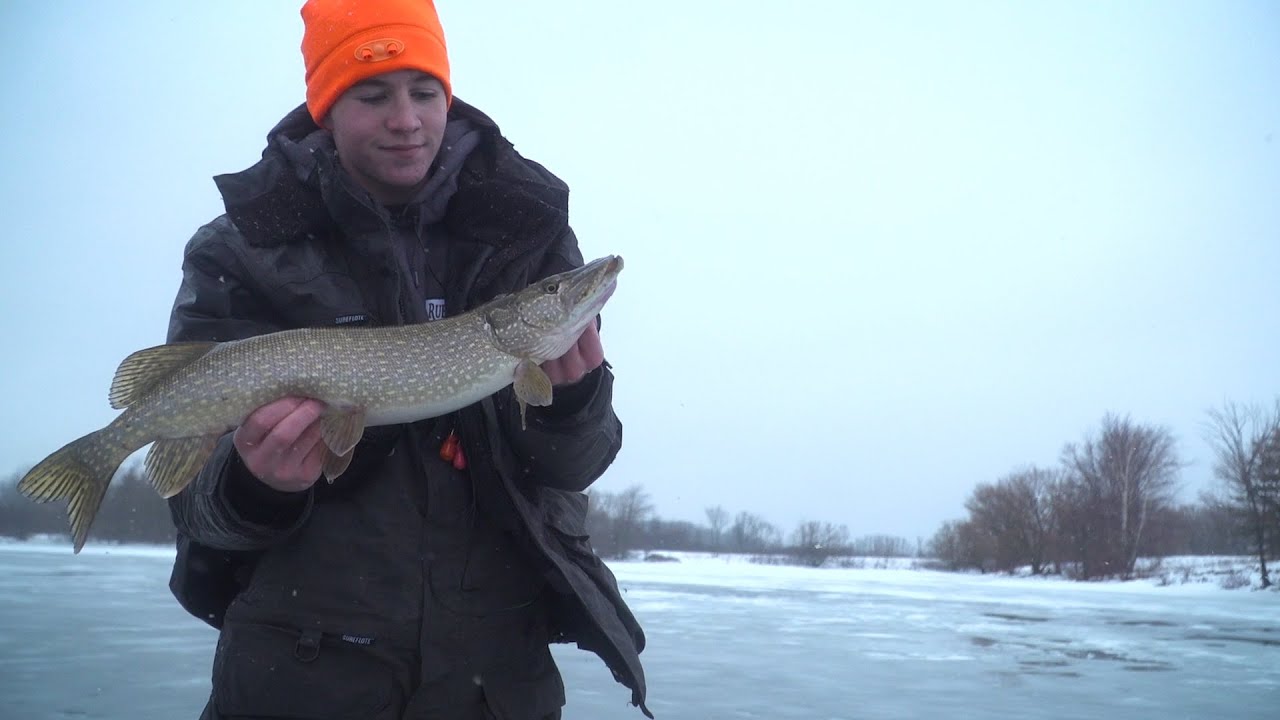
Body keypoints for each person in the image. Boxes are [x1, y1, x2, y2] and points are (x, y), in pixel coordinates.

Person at [164, 1, 649, 718]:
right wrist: (256, 486)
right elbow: (201, 513)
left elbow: (571, 470)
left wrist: (574, 405)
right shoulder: (246, 245)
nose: (407, 119)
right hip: (303, 672)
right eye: (372, 93)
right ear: (326, 106)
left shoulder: (522, 225)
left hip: (494, 673)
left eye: (425, 92)